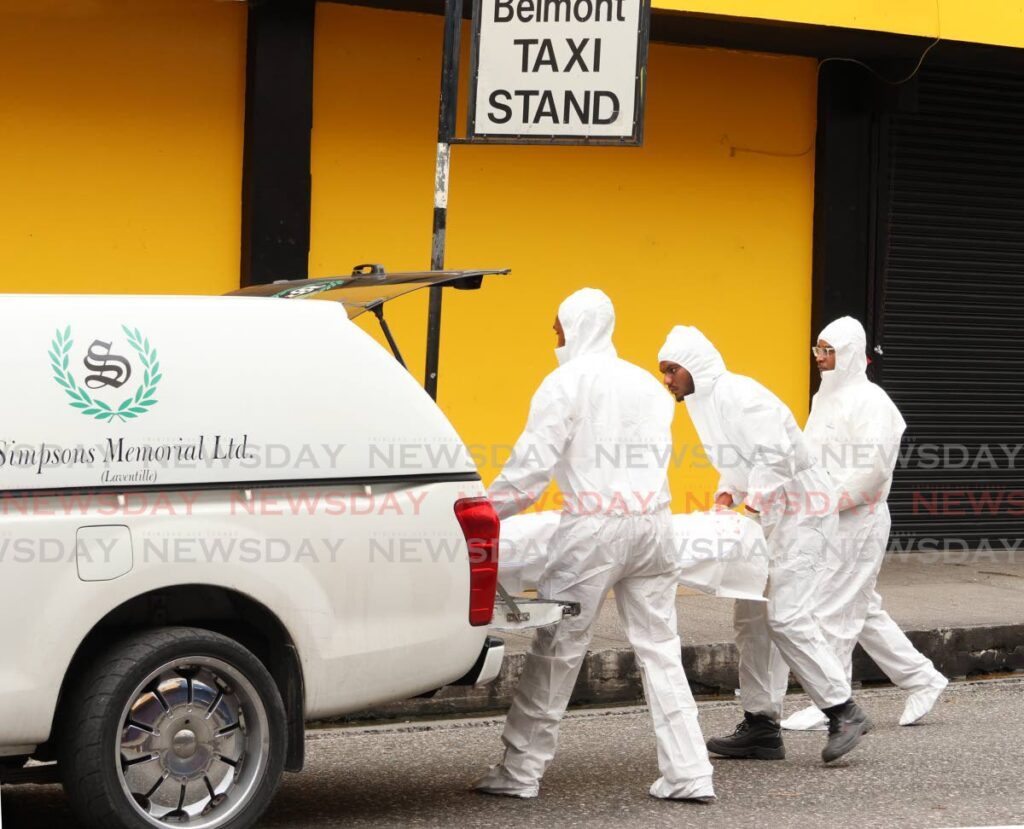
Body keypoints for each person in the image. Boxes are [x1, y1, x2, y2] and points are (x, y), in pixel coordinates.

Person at [473, 289, 716, 803]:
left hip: (592, 533)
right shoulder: (648, 387)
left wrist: (480, 516)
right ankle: (690, 771)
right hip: (653, 527)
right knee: (660, 650)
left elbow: (529, 472)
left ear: (575, 327)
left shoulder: (565, 383)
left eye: (557, 327)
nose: (554, 337)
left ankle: (520, 772)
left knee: (558, 649)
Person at [657, 325, 872, 764]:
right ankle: (761, 727)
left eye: (672, 369)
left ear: (693, 365)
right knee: (752, 619)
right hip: (772, 514)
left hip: (803, 512)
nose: (667, 380)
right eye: (664, 371)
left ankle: (843, 711)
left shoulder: (740, 393)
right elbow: (741, 461)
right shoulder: (704, 405)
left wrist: (751, 507)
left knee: (787, 616)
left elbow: (775, 455)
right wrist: (727, 495)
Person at [780, 316, 948, 732]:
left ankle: (830, 703)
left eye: (829, 350)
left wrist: (826, 502)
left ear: (851, 353)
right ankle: (923, 678)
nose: (820, 358)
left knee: (832, 609)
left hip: (859, 519)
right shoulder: (825, 399)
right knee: (862, 608)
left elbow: (872, 472)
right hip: (828, 518)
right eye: (818, 349)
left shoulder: (873, 403)